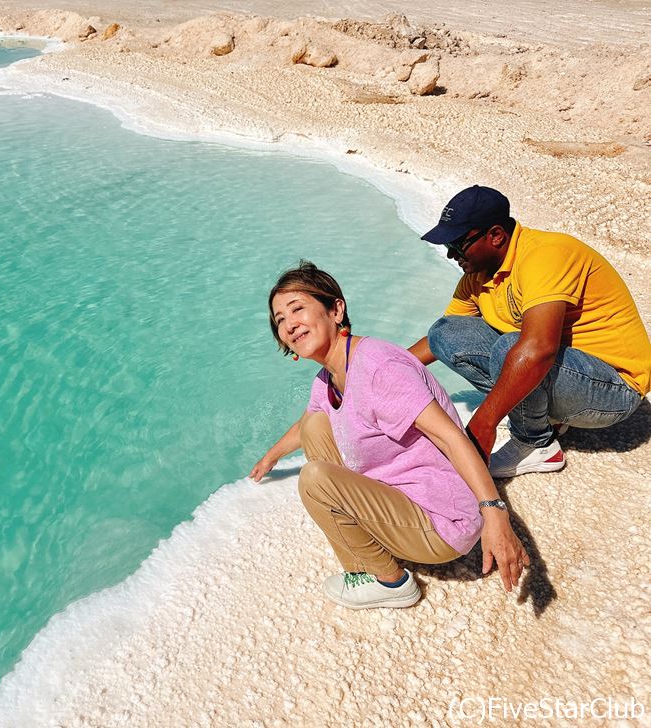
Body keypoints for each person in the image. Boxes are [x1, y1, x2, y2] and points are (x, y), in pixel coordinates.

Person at [249, 262, 528, 610]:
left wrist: (495, 512)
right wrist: (271, 456)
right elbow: (309, 420)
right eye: (279, 320)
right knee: (315, 427)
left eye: (297, 309)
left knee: (315, 480)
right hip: (402, 496)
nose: (289, 325)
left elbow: (450, 438)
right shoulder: (330, 375)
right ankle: (366, 532)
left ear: (336, 310)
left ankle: (387, 581)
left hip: (443, 521)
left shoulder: (379, 369)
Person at [409, 186, 651, 478]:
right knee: (445, 333)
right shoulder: (479, 275)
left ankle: (535, 443)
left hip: (614, 388)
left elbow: (539, 349)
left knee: (515, 347)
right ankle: (540, 417)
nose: (450, 254)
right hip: (568, 375)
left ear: (496, 235)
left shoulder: (545, 255)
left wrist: (483, 423)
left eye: (458, 244)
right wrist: (374, 368)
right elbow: (442, 339)